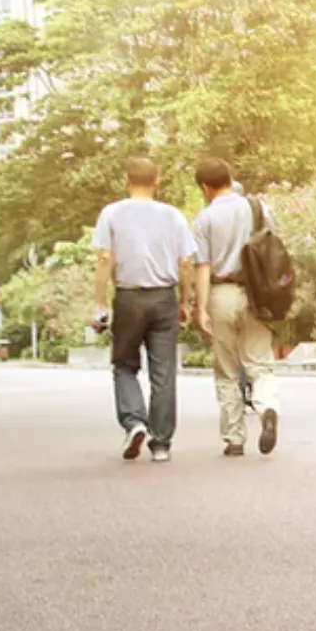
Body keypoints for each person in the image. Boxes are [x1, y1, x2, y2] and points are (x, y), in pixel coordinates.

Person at [92, 156, 198, 463]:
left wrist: (99, 302)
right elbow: (186, 262)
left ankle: (134, 421)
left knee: (124, 364)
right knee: (163, 373)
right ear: (157, 181)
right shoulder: (173, 216)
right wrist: (184, 301)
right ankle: (161, 442)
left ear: (126, 180)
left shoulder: (111, 213)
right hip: (164, 297)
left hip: (128, 297)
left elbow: (103, 259)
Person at [184, 156, 281, 456]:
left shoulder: (205, 219)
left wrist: (200, 307)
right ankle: (266, 408)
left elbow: (202, 266)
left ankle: (234, 439)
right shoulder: (257, 208)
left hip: (222, 292)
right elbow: (275, 245)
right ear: (229, 178)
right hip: (257, 293)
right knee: (260, 363)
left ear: (205, 187)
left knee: (227, 369)